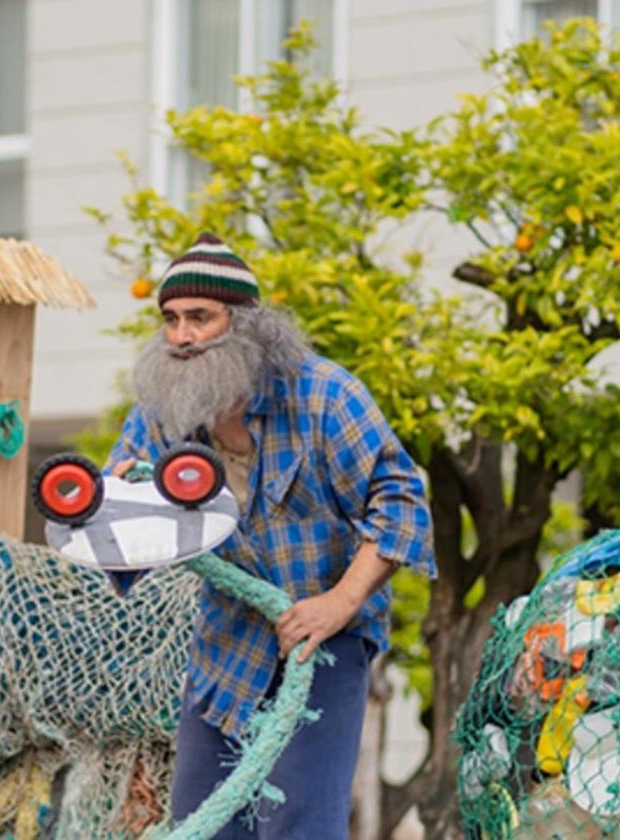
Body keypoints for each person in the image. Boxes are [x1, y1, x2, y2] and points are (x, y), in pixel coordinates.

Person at [106, 232, 436, 837]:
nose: (181, 337)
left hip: (324, 640)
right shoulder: (163, 408)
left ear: (249, 326)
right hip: (225, 647)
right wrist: (111, 506)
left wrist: (339, 604)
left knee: (299, 826)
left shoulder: (326, 396)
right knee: (204, 825)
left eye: (200, 318)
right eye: (172, 319)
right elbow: (117, 519)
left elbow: (403, 504)